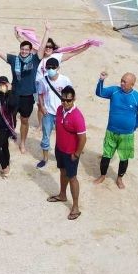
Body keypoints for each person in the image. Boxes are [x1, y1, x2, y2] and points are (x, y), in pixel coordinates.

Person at [0, 24, 48, 153]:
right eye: (22, 49)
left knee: (25, 120)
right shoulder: (14, 59)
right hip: (13, 94)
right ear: (20, 49)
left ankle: (23, 143)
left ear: (30, 50)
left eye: (27, 49)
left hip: (27, 96)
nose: (24, 51)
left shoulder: (35, 60)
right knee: (11, 117)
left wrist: (47, 30)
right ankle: (12, 133)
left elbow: (42, 47)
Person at [93, 71, 138, 189]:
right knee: (106, 155)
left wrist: (133, 127)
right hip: (111, 131)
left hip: (127, 135)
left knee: (124, 158)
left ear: (132, 84)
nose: (121, 83)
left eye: (125, 82)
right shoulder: (114, 91)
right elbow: (99, 93)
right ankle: (102, 176)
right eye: (121, 80)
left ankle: (119, 178)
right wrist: (101, 80)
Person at [48, 86, 87, 220]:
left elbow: (83, 138)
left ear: (73, 99)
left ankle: (75, 207)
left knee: (72, 178)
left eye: (68, 100)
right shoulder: (59, 109)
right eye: (63, 99)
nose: (65, 102)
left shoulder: (77, 116)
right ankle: (62, 195)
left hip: (71, 153)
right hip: (60, 148)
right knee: (62, 172)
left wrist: (76, 154)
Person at [36, 57, 71, 169]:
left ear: (58, 68)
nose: (50, 69)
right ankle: (45, 159)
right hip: (48, 113)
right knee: (46, 136)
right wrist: (42, 107)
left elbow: (71, 95)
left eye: (53, 67)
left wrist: (69, 110)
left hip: (62, 113)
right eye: (48, 67)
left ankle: (62, 157)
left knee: (63, 136)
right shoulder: (43, 81)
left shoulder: (65, 80)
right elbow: (40, 94)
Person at [0, 76, 18, 178]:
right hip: (0, 125)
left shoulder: (13, 94)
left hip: (8, 125)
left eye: (4, 84)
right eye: (0, 85)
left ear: (8, 84)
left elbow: (12, 105)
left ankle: (5, 168)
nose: (2, 86)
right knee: (4, 146)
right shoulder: (0, 95)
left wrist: (9, 91)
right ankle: (7, 164)